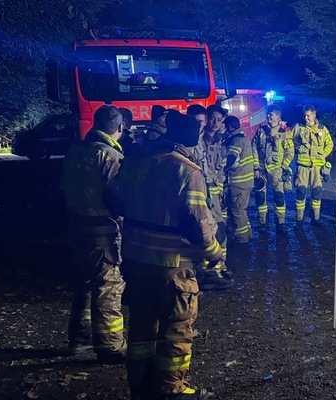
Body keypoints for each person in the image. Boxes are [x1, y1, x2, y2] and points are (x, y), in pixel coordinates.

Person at [108, 110, 221, 400]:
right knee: (177, 327)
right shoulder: (187, 171)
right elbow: (198, 224)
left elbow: (114, 200)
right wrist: (214, 252)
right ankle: (172, 389)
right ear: (189, 142)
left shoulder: (135, 164)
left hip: (135, 260)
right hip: (173, 265)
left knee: (143, 325)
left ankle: (140, 385)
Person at [60, 105, 127, 364]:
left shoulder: (75, 151)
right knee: (108, 285)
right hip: (102, 230)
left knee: (84, 283)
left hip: (76, 225)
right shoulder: (109, 156)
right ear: (119, 128)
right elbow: (117, 195)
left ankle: (79, 338)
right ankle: (110, 346)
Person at [191, 105, 232, 290]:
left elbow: (217, 169)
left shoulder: (219, 139)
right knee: (210, 229)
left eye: (219, 120)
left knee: (220, 229)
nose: (215, 123)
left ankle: (219, 266)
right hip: (202, 192)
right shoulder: (195, 141)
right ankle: (210, 269)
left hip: (214, 191)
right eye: (212, 119)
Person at [252, 104, 294, 232]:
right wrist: (256, 168)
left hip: (277, 171)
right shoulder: (261, 131)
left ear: (278, 116)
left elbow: (290, 152)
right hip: (262, 171)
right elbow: (254, 148)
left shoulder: (283, 133)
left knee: (279, 197)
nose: (268, 116)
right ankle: (263, 223)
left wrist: (284, 166)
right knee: (260, 197)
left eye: (271, 114)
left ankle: (280, 223)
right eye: (268, 113)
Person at [291, 105, 333, 225]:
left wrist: (322, 154)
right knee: (301, 191)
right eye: (305, 115)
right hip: (302, 166)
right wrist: (294, 149)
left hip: (317, 167)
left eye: (308, 115)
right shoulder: (298, 127)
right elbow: (286, 139)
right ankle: (299, 220)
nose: (306, 118)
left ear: (314, 115)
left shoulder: (322, 129)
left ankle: (316, 218)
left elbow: (330, 144)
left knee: (316, 191)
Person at [223, 115, 255, 243]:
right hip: (244, 182)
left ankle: (242, 239)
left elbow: (231, 159)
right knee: (242, 210)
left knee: (237, 211)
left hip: (238, 182)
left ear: (229, 127)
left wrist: (221, 168)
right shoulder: (242, 138)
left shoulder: (236, 140)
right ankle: (248, 234)